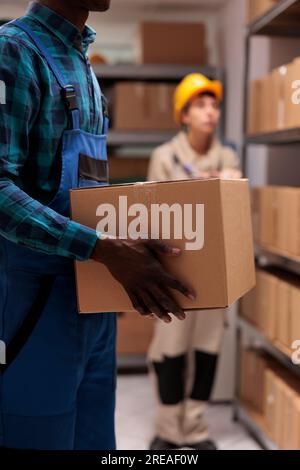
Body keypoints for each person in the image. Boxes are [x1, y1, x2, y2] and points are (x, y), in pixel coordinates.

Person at [0, 0, 194, 450]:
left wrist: (132, 241)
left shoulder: (82, 62)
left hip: (94, 301)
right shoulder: (14, 51)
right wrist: (102, 249)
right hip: (35, 308)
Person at [148, 73, 242, 451]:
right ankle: (169, 431)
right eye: (201, 106)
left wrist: (222, 179)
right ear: (183, 115)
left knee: (207, 350)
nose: (211, 113)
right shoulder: (164, 157)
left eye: (214, 105)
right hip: (173, 272)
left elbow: (235, 204)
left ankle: (196, 428)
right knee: (169, 351)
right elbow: (152, 213)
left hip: (215, 273)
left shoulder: (227, 156)